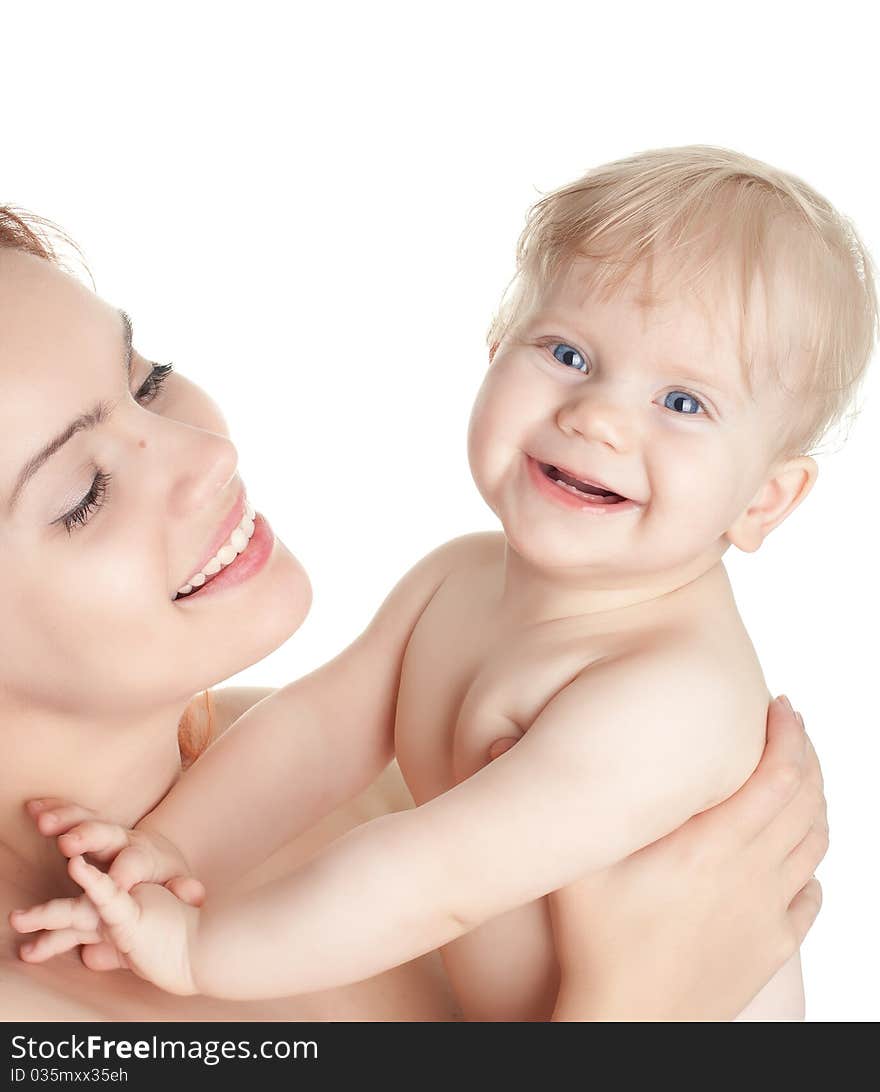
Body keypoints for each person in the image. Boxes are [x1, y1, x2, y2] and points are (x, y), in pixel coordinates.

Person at [9, 145, 859, 1020]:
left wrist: (197, 948)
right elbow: (316, 729)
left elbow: (432, 879)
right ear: (496, 353)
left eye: (683, 403)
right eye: (567, 353)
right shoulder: (457, 576)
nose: (596, 416)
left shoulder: (670, 695)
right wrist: (170, 849)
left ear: (765, 500)